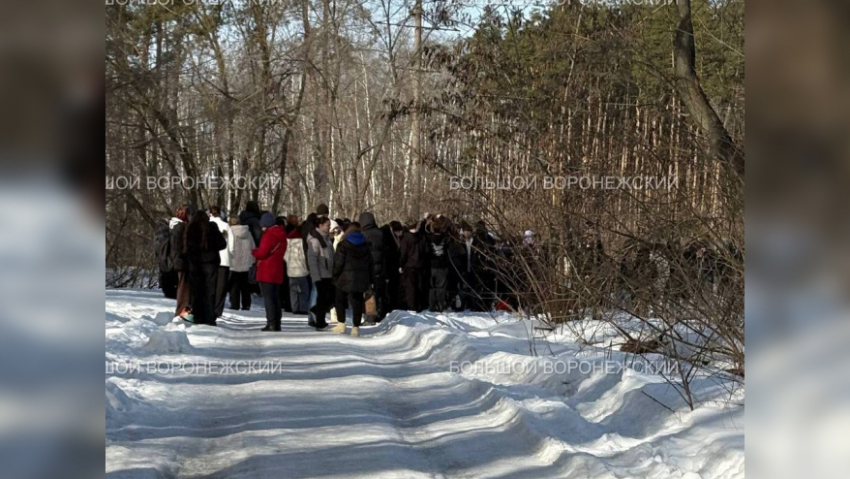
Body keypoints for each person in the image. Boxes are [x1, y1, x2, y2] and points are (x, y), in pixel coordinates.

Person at [184, 210, 227, 325]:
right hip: (210, 264)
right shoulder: (212, 227)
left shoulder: (190, 229)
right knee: (209, 291)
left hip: (195, 264)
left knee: (197, 291)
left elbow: (187, 247)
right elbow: (222, 244)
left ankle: (197, 316)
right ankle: (209, 317)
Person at [333, 223, 374, 337]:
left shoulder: (343, 245)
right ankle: (355, 327)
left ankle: (341, 324)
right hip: (361, 277)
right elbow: (370, 263)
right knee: (357, 302)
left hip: (344, 277)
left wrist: (335, 274)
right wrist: (370, 279)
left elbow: (338, 262)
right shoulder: (366, 245)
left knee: (340, 299)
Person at [252, 212, 287, 331]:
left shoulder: (269, 234)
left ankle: (271, 322)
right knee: (276, 297)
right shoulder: (281, 234)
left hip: (266, 270)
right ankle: (277, 323)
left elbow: (262, 253)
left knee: (268, 298)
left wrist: (254, 252)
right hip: (277, 269)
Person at [307, 216, 335, 330]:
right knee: (322, 298)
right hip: (321, 274)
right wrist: (316, 277)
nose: (329, 227)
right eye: (327, 225)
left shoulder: (326, 239)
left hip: (328, 273)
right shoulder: (315, 240)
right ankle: (320, 321)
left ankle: (318, 315)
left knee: (327, 298)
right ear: (320, 225)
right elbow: (312, 260)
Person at [358, 212, 386, 320]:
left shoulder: (363, 234)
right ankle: (379, 311)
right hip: (379, 265)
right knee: (379, 290)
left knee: (368, 291)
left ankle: (369, 314)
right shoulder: (380, 233)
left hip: (367, 266)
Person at [209, 206, 232, 319]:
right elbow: (231, 246)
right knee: (221, 287)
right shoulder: (226, 226)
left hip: (210, 260)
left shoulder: (207, 225)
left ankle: (209, 307)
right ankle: (217, 310)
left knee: (211, 284)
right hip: (224, 259)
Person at [228, 215, 255, 310]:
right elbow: (253, 247)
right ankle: (246, 304)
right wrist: (253, 260)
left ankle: (234, 304)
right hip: (246, 262)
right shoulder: (248, 232)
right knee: (245, 285)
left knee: (234, 285)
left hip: (233, 262)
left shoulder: (230, 232)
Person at [425, 216, 452, 312]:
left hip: (431, 265)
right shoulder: (446, 238)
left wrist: (428, 222)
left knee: (432, 287)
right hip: (442, 265)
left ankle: (432, 305)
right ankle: (441, 304)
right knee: (441, 287)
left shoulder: (428, 238)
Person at [398, 219, 425, 311]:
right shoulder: (421, 236)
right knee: (419, 285)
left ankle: (411, 306)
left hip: (409, 265)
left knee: (410, 287)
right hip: (420, 264)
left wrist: (401, 264)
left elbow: (403, 253)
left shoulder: (405, 238)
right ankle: (419, 304)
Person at [170, 206, 192, 318]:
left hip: (181, 260)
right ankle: (181, 311)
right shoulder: (180, 227)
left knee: (184, 287)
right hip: (182, 261)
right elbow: (177, 245)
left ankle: (183, 310)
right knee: (183, 288)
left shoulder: (179, 226)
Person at [284, 226, 310, 314]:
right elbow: (303, 256)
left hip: (291, 270)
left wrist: (289, 263)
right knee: (303, 290)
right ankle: (303, 308)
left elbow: (285, 256)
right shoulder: (302, 242)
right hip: (301, 269)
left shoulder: (288, 241)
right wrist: (306, 267)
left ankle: (294, 307)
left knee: (293, 291)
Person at [155, 218, 178, 299]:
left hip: (164, 262)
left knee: (165, 277)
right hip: (169, 262)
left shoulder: (158, 237)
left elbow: (157, 251)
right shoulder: (169, 236)